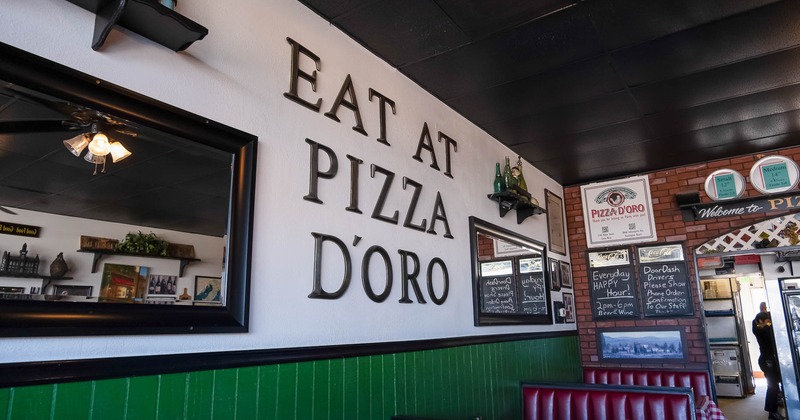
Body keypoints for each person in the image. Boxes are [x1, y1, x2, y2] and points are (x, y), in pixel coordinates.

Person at [753, 308, 783, 420]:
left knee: (774, 386)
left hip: (768, 360)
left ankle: (773, 411)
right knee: (772, 386)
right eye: (767, 320)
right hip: (767, 361)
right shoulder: (761, 330)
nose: (768, 323)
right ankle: (772, 413)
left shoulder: (761, 329)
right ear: (761, 321)